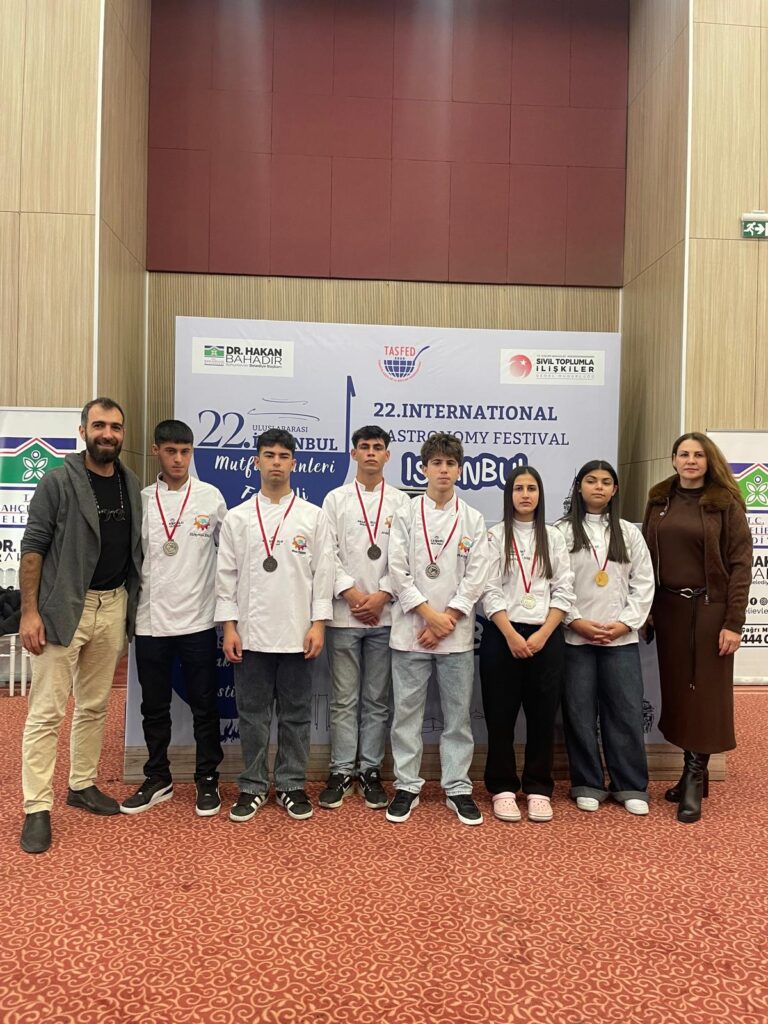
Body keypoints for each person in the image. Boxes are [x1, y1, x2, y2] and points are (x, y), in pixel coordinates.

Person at [18, 398, 142, 854]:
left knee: (93, 705)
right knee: (46, 712)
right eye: (99, 425)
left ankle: (82, 784)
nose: (108, 434)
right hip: (62, 609)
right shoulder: (57, 481)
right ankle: (36, 807)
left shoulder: (131, 483)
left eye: (116, 427)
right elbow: (33, 548)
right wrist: (30, 612)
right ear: (83, 430)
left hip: (112, 606)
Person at [215, 428, 334, 822]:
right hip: (250, 634)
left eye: (284, 456)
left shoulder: (313, 517)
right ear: (257, 461)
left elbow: (323, 575)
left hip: (298, 632)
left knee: (296, 714)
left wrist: (318, 625)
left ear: (294, 463)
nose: (277, 462)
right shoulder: (237, 518)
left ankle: (291, 784)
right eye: (269, 455)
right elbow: (226, 576)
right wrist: (229, 627)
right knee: (252, 715)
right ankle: (251, 786)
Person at [643, 433, 751, 824]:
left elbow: (741, 564)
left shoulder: (725, 502)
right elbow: (645, 559)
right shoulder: (659, 500)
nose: (691, 460)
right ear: (673, 459)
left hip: (710, 609)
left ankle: (692, 776)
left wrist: (733, 622)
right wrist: (647, 611)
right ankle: (693, 773)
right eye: (684, 454)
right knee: (678, 691)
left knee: (704, 693)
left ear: (709, 461)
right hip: (668, 609)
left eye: (698, 455)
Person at [121, 420, 227, 817]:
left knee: (205, 705)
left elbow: (231, 555)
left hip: (198, 619)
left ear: (192, 452)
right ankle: (157, 777)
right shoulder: (142, 500)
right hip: (150, 620)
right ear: (156, 451)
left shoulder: (210, 497)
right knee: (154, 707)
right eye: (170, 451)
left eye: (185, 451)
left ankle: (207, 778)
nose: (178, 459)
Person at [386, 433, 489, 826]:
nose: (443, 470)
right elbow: (397, 571)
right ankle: (406, 785)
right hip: (412, 631)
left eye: (450, 463)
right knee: (406, 715)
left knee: (457, 717)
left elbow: (476, 577)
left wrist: (448, 620)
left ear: (459, 470)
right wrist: (430, 616)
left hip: (455, 635)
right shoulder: (406, 514)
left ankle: (457, 786)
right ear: (423, 468)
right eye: (436, 463)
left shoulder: (473, 518)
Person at [318, 426, 411, 811]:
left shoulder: (402, 502)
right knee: (343, 699)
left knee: (376, 700)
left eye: (378, 447)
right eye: (364, 447)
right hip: (345, 614)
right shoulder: (335, 499)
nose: (371, 453)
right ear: (353, 454)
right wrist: (352, 594)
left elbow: (406, 556)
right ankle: (341, 770)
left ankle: (370, 770)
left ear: (387, 455)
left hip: (386, 616)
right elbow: (327, 553)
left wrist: (383, 594)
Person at [556, 461, 655, 816]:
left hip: (620, 639)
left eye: (605, 482)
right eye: (591, 480)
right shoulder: (562, 532)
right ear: (579, 487)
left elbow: (644, 583)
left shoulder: (628, 533)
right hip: (575, 638)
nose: (598, 487)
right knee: (579, 713)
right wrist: (575, 621)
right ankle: (588, 782)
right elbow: (554, 582)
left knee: (625, 711)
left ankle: (630, 784)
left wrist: (625, 624)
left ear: (615, 490)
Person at [480, 465, 574, 824]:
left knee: (542, 717)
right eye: (518, 488)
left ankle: (538, 788)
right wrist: (511, 634)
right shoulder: (494, 536)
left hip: (545, 636)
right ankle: (502, 787)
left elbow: (564, 589)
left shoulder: (554, 537)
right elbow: (488, 590)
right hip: (503, 634)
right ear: (509, 495)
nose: (525, 494)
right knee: (499, 716)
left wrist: (543, 633)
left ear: (540, 495)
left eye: (531, 488)